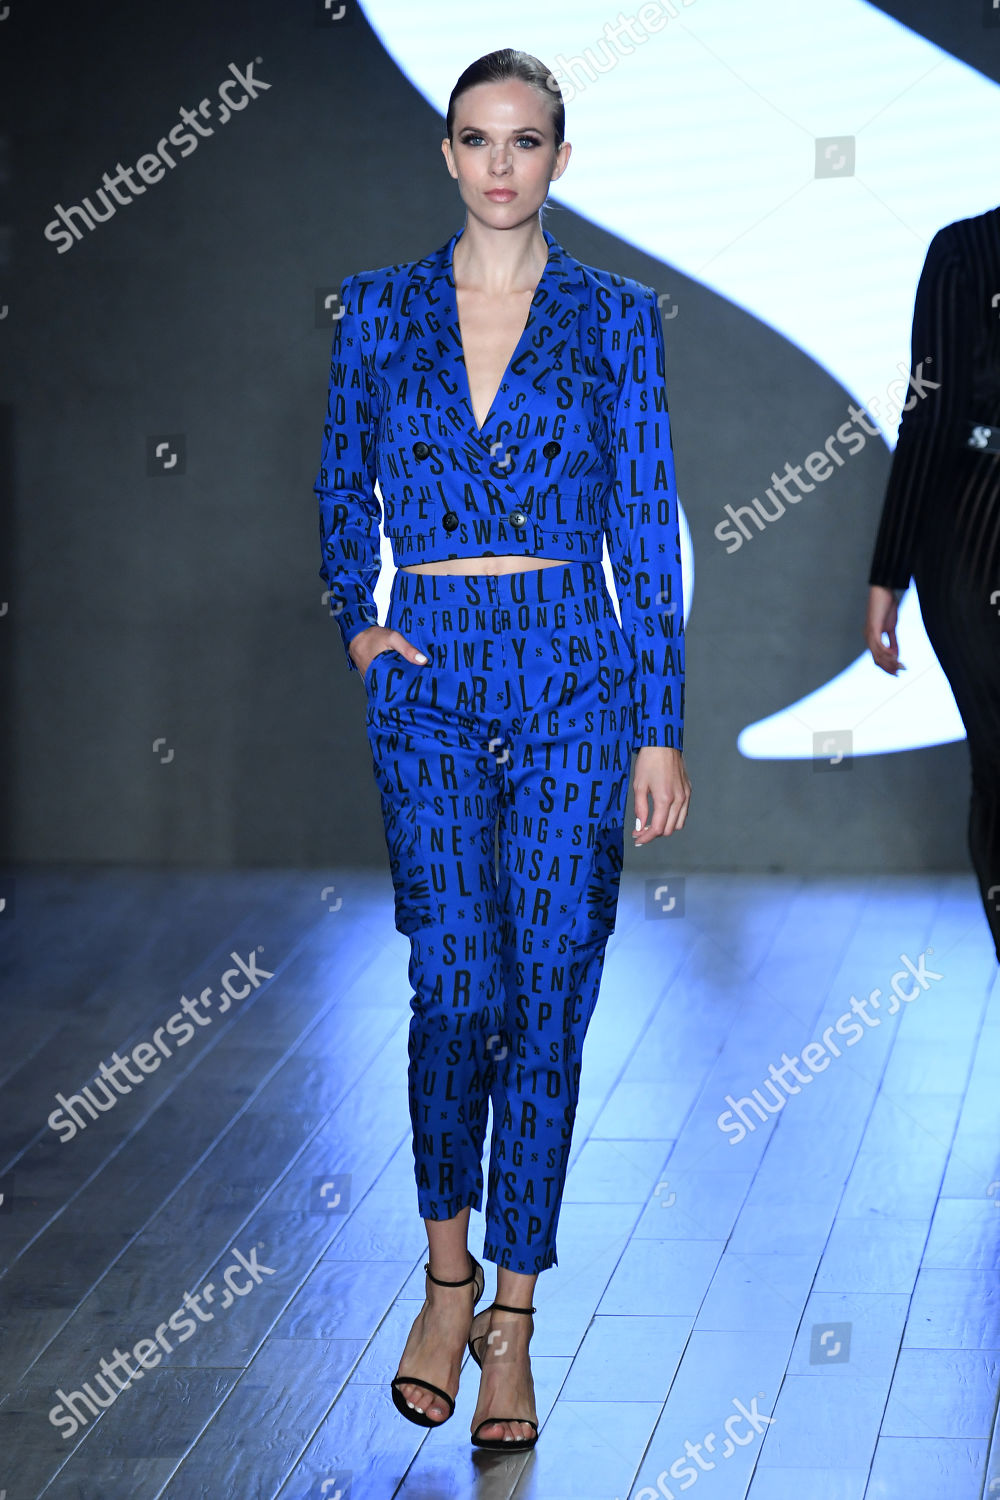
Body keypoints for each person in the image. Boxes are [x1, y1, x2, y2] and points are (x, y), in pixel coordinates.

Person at [314, 47, 690, 1450]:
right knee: (455, 982)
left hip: (574, 675)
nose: (499, 163)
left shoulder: (614, 319)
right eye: (476, 138)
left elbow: (644, 522)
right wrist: (360, 625)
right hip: (432, 669)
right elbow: (338, 481)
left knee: (550, 998)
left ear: (559, 160)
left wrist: (658, 723)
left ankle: (513, 1322)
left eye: (525, 140)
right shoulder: (380, 309)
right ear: (447, 154)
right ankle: (444, 1278)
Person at [865, 205, 1000, 963]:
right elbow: (931, 413)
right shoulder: (966, 250)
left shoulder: (966, 249)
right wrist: (891, 568)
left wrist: (889, 571)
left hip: (973, 524)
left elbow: (931, 416)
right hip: (977, 529)